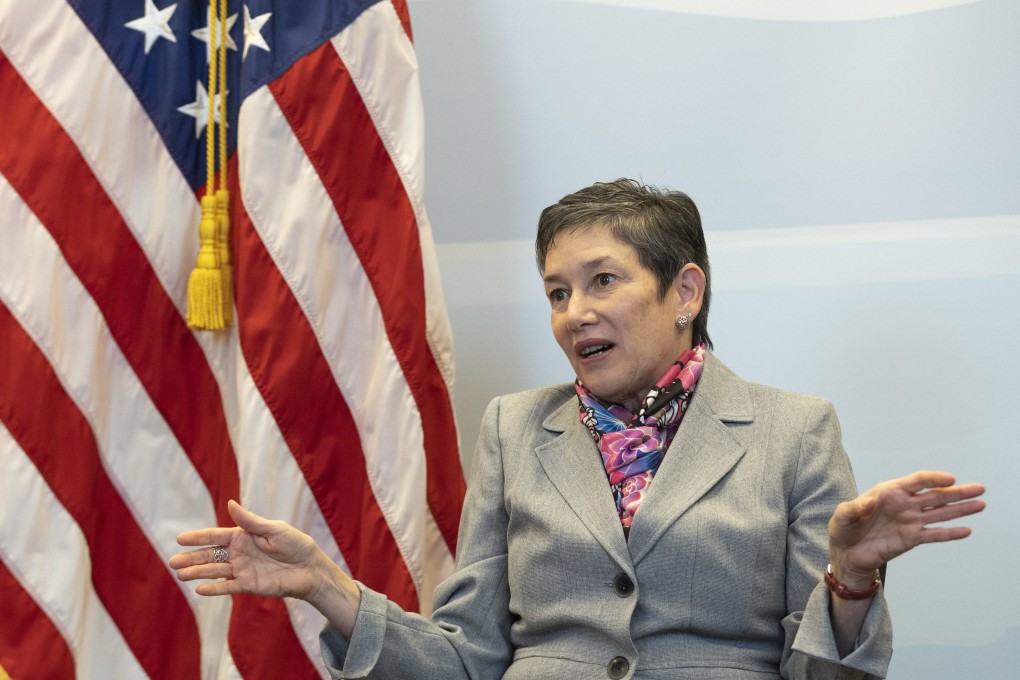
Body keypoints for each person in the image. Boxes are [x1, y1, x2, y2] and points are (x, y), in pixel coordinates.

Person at [169, 179, 986, 679]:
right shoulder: (514, 429)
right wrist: (327, 587)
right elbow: (468, 660)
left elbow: (825, 677)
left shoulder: (794, 431)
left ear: (685, 290)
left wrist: (849, 578)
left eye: (603, 281)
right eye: (558, 292)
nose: (575, 313)